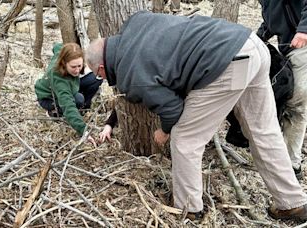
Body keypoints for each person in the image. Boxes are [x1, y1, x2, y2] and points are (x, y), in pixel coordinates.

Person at [86, 11, 307, 221]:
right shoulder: (136, 22)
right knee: (263, 131)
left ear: (103, 67)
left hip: (227, 61)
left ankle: (188, 208)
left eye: (99, 75)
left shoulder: (132, 76)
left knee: (185, 140)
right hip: (251, 44)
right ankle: (292, 202)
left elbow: (172, 108)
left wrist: (164, 130)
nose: (102, 79)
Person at [257, 0, 307, 180]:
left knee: (296, 105)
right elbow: (271, 22)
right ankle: (280, 155)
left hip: (304, 45)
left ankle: (292, 165)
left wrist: (304, 30)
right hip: (288, 48)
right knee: (282, 99)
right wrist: (257, 38)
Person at [35, 43, 97, 145]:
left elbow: (57, 46)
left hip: (70, 85)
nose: (77, 70)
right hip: (48, 98)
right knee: (78, 99)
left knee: (95, 78)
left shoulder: (61, 52)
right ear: (64, 63)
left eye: (79, 65)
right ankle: (54, 112)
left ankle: (82, 108)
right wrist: (84, 131)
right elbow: (68, 106)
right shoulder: (59, 78)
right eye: (73, 66)